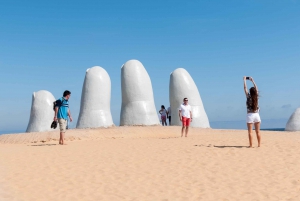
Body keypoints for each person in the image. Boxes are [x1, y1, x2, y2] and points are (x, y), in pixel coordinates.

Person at [243, 77, 261, 148]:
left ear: (250, 92)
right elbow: (256, 88)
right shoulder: (256, 97)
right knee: (258, 131)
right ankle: (259, 145)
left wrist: (244, 80)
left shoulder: (248, 97)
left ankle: (251, 145)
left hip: (250, 115)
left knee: (250, 132)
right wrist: (253, 81)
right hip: (257, 115)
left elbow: (245, 88)